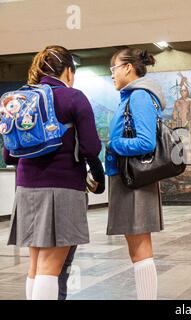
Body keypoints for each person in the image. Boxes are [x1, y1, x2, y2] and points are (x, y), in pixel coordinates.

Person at [3, 45, 102, 300]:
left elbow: (8, 154)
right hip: (63, 188)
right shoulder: (74, 97)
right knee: (51, 267)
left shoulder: (21, 99)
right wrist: (97, 176)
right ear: (68, 71)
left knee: (35, 267)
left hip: (25, 189)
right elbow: (91, 147)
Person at [105, 47, 166, 300]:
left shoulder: (139, 96)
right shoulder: (134, 96)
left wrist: (112, 144)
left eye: (113, 69)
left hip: (135, 181)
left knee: (141, 251)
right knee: (137, 251)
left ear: (128, 68)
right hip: (131, 180)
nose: (111, 75)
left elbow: (145, 143)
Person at [58, 156, 105, 300]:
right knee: (62, 262)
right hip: (69, 190)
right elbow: (90, 147)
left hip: (28, 190)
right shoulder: (71, 131)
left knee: (36, 265)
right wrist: (99, 180)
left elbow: (8, 157)